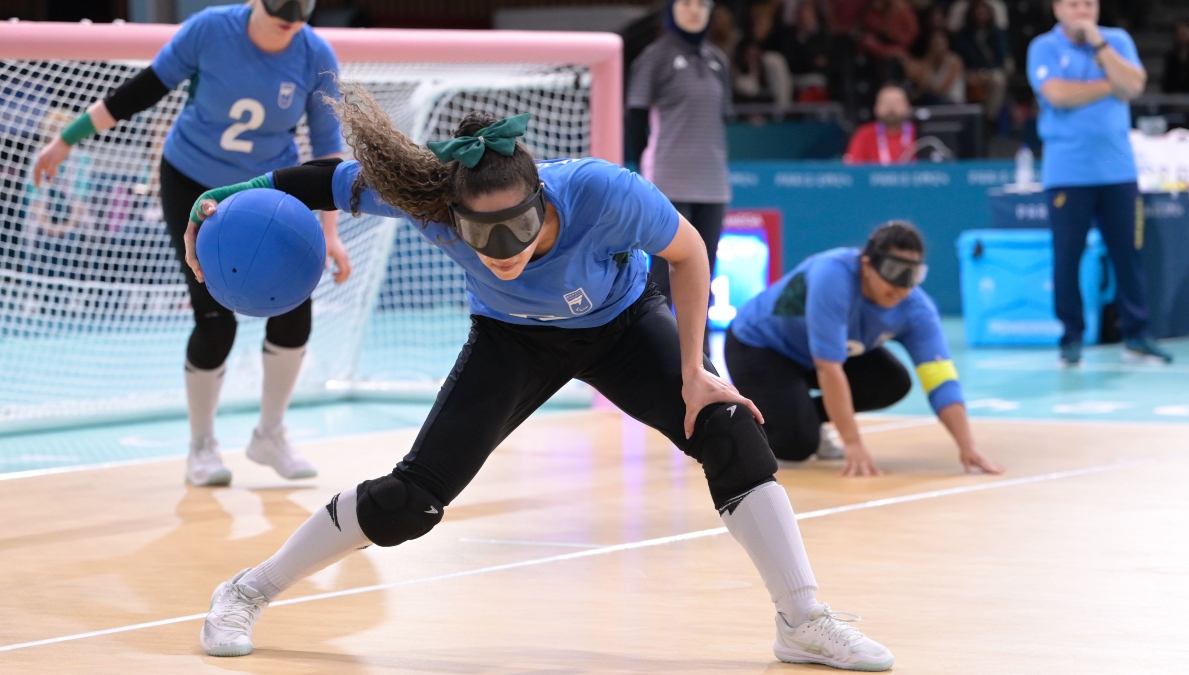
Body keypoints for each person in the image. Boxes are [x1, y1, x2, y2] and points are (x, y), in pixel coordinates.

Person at [185, 93, 896, 670]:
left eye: (518, 228)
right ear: (450, 217)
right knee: (412, 501)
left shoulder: (603, 193)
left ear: (543, 199)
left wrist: (693, 370)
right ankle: (246, 589)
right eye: (480, 234)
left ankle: (802, 621)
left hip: (620, 324)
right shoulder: (426, 199)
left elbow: (689, 253)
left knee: (727, 428)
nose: (503, 250)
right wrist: (224, 197)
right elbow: (322, 178)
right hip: (512, 340)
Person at [32, 0, 348, 486]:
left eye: (303, 4)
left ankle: (270, 434)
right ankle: (200, 448)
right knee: (215, 319)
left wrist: (331, 234)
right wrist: (67, 139)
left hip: (269, 192)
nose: (291, 12)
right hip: (194, 184)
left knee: (294, 308)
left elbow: (328, 154)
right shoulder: (210, 30)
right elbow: (141, 91)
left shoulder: (315, 56)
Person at [725, 222, 1004, 477]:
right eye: (894, 272)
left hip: (817, 353)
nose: (901, 287)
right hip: (759, 346)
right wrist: (853, 443)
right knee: (797, 446)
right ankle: (728, 424)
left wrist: (967, 446)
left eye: (912, 274)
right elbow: (828, 367)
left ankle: (799, 417)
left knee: (892, 382)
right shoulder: (833, 276)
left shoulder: (917, 309)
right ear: (867, 265)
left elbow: (940, 379)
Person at [1027, 0, 1172, 365]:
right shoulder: (1043, 47)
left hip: (1118, 170)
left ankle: (1137, 336)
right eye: (1074, 4)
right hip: (1067, 172)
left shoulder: (1116, 40)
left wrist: (1099, 46)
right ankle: (1071, 338)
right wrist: (1110, 85)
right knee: (1068, 257)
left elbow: (1135, 84)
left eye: (1089, 4)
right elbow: (1056, 95)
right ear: (1058, 9)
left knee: (1128, 254)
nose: (1083, 11)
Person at [627, 0, 732, 351]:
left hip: (713, 185)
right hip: (669, 182)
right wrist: (641, 168)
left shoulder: (719, 60)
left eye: (702, 3)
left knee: (705, 273)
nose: (695, 9)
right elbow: (635, 117)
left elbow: (721, 119)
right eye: (687, 2)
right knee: (664, 275)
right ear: (671, 8)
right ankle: (655, 351)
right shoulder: (655, 57)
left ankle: (699, 357)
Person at [953, 0, 1011, 122]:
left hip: (989, 70)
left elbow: (1000, 58)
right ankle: (960, 116)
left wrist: (983, 72)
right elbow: (960, 56)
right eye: (977, 13)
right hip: (969, 71)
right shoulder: (964, 35)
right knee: (957, 79)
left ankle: (989, 119)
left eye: (983, 12)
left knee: (998, 80)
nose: (980, 16)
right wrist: (972, 73)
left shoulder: (997, 34)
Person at [843, 84, 917, 164]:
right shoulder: (864, 134)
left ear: (908, 107)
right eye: (885, 102)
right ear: (875, 108)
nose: (891, 107)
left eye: (897, 102)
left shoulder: (919, 133)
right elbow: (853, 167)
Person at [908, 29, 966, 105]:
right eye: (934, 44)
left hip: (953, 103)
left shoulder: (955, 62)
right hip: (934, 102)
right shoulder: (928, 61)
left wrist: (927, 91)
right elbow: (922, 86)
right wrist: (928, 63)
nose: (937, 48)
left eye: (939, 44)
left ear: (946, 44)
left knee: (927, 97)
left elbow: (942, 90)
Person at [1162, 18, 1189, 94]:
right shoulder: (1171, 56)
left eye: (1184, 33)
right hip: (1176, 98)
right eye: (1179, 33)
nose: (1182, 36)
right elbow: (1168, 80)